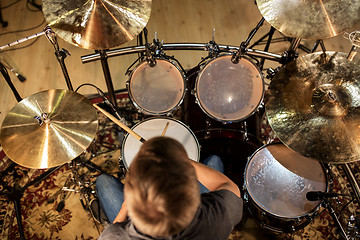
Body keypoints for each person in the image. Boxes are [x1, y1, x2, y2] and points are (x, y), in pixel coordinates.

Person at [95, 136, 243, 240]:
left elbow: (115, 230)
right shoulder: (219, 215)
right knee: (214, 160)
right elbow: (231, 188)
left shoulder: (115, 236)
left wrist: (124, 209)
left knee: (103, 182)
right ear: (192, 195)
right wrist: (181, 160)